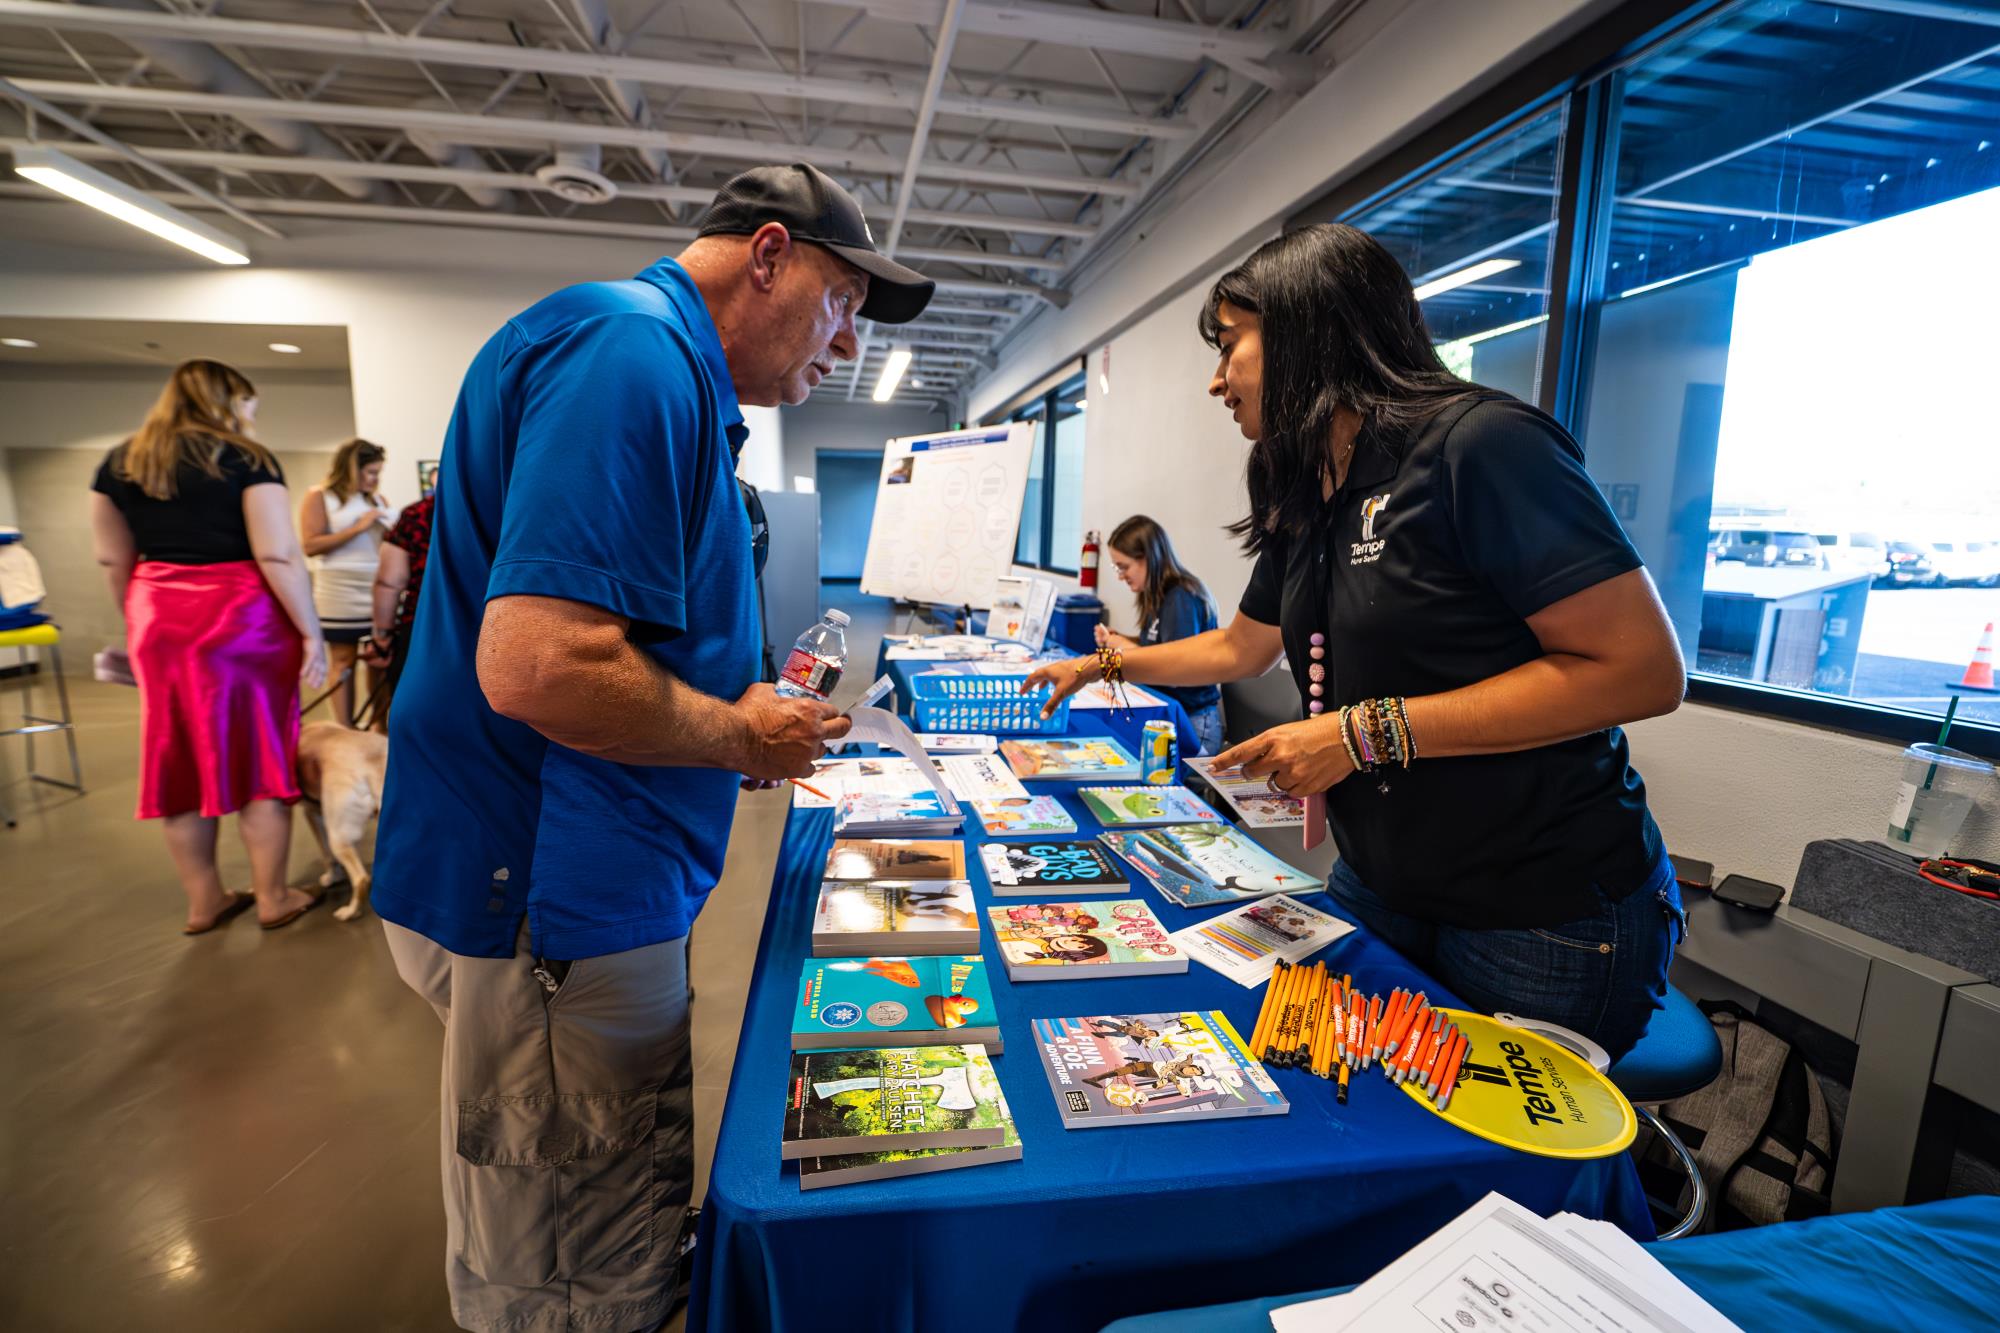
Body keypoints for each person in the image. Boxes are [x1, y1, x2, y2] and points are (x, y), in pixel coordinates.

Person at [369, 162, 934, 1333]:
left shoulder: (659, 372)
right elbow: (538, 665)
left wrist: (737, 709)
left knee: (610, 1202)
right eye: (838, 300)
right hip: (557, 896)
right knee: (573, 1266)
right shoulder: (629, 357)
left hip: (595, 885)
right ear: (766, 254)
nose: (840, 344)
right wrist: (737, 733)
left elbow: (630, 634)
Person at [1028, 224, 1689, 1061]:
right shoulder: (1308, 487)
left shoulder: (1480, 446)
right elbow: (1241, 647)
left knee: (1494, 1171)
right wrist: (1104, 660)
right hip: (1383, 879)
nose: (1215, 380)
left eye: (1230, 346)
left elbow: (1641, 671)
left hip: (1538, 910)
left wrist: (1358, 732)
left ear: (1308, 328)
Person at [87, 359, 328, 934]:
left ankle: (205, 902)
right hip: (240, 615)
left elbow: (110, 558)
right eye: (248, 405)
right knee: (259, 754)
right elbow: (276, 554)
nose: (250, 416)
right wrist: (310, 630)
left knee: (177, 758)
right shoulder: (247, 458)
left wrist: (139, 623)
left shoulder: (122, 460)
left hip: (158, 611)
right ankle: (272, 897)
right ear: (228, 402)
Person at [1094, 515, 1225, 752]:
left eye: (1123, 567)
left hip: (1192, 723)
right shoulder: (1157, 594)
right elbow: (1157, 645)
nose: (1120, 575)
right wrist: (1121, 639)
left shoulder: (1181, 598)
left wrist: (1123, 645)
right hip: (1168, 715)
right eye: (1117, 567)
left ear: (1148, 558)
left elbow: (1175, 667)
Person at [299, 438, 391, 727]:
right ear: (353, 468)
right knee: (343, 660)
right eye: (371, 472)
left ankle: (380, 727)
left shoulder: (377, 500)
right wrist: (359, 527)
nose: (375, 479)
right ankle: (344, 728)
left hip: (375, 585)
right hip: (337, 589)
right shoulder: (320, 496)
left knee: (379, 660)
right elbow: (311, 545)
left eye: (378, 472)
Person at [357, 489, 435, 730]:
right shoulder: (506, 508)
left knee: (419, 717)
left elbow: (389, 583)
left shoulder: (420, 513)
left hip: (423, 626)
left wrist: (382, 638)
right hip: (498, 625)